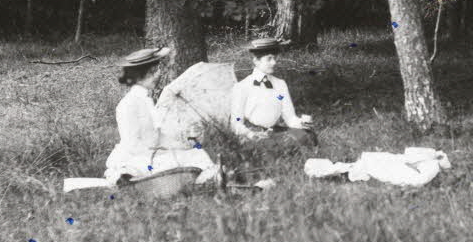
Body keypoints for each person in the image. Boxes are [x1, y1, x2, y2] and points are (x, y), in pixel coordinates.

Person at [104, 47, 222, 185]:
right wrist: (160, 151)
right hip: (136, 157)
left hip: (153, 152)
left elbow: (158, 134)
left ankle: (210, 179)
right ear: (140, 75)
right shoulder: (128, 104)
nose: (158, 75)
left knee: (196, 153)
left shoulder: (146, 99)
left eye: (156, 70)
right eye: (152, 72)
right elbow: (132, 144)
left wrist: (186, 142)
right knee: (176, 161)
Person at [230, 38, 317, 147]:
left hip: (275, 132)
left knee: (307, 136)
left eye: (275, 58)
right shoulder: (242, 87)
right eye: (269, 59)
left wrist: (302, 124)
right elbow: (236, 122)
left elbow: (290, 118)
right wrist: (250, 134)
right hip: (253, 133)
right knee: (261, 145)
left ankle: (280, 146)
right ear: (256, 61)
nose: (274, 62)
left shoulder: (280, 84)